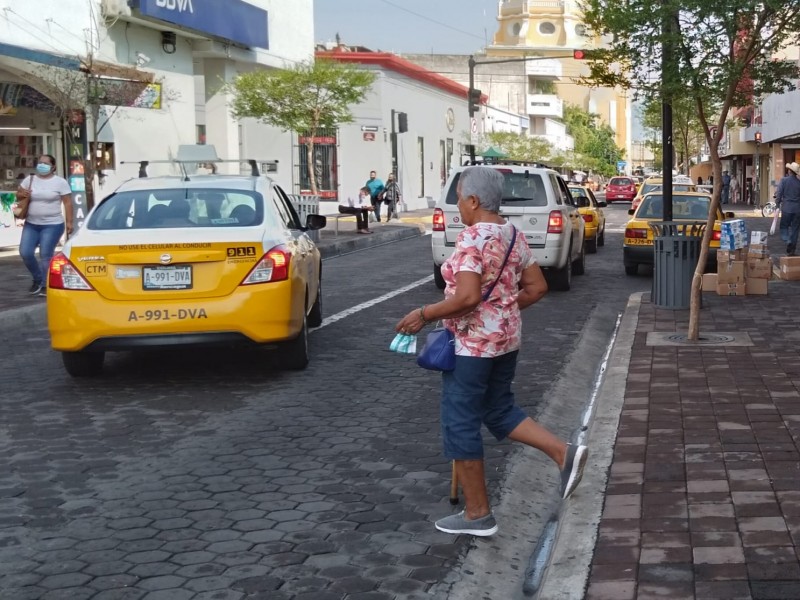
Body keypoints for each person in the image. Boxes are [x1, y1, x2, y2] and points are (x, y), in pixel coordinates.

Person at [395, 167, 588, 537]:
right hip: (506, 341)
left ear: (473, 201)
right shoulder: (512, 235)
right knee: (498, 410)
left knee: (460, 422)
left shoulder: (471, 239)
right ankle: (563, 453)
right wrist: (500, 314)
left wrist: (422, 315)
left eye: (460, 198)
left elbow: (466, 297)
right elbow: (536, 288)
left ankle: (478, 514)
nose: (458, 207)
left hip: (471, 349)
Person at [17, 154, 73, 296]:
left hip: (52, 224)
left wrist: (70, 222)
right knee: (25, 252)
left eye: (45, 163)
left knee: (45, 255)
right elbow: (18, 194)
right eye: (40, 162)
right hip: (31, 223)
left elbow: (67, 202)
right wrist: (22, 193)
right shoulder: (30, 180)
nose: (41, 165)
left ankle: (46, 285)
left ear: (53, 167)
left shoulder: (60, 182)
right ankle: (38, 279)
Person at [776, 162, 800, 255]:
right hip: (797, 209)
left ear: (789, 171)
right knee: (795, 229)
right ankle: (792, 250)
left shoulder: (784, 180)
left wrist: (777, 205)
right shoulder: (799, 183)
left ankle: (788, 240)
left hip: (786, 208)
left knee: (784, 226)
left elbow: (779, 194)